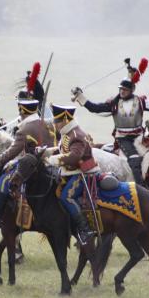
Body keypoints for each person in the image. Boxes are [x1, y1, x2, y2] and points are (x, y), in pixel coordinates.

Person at [71, 58, 149, 185]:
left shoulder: (141, 102)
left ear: (131, 90)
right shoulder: (114, 103)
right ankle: (140, 188)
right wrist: (80, 97)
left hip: (139, 138)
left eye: (125, 90)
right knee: (134, 160)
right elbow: (95, 108)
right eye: (120, 89)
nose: (122, 91)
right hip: (123, 139)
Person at [0, 94, 56, 226]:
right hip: (52, 162)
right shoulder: (48, 124)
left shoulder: (24, 129)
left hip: (32, 165)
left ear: (22, 110)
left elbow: (13, 151)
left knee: (4, 179)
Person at [46, 104, 96, 245]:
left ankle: (85, 229)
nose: (55, 125)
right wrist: (47, 152)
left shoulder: (76, 135)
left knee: (66, 197)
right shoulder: (68, 133)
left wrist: (51, 160)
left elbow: (74, 156)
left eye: (57, 121)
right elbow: (63, 150)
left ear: (65, 120)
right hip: (70, 171)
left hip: (82, 173)